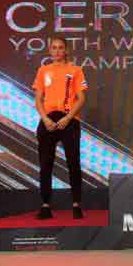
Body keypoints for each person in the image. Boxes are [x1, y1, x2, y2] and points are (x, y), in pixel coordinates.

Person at [32, 37, 88, 219]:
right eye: (54, 48)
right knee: (45, 164)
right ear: (50, 50)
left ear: (66, 50)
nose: (57, 51)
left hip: (69, 120)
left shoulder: (75, 70)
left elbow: (81, 98)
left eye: (60, 48)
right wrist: (44, 119)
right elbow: (38, 99)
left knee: (73, 163)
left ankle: (76, 204)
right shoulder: (43, 70)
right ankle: (45, 205)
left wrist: (68, 118)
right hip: (48, 120)